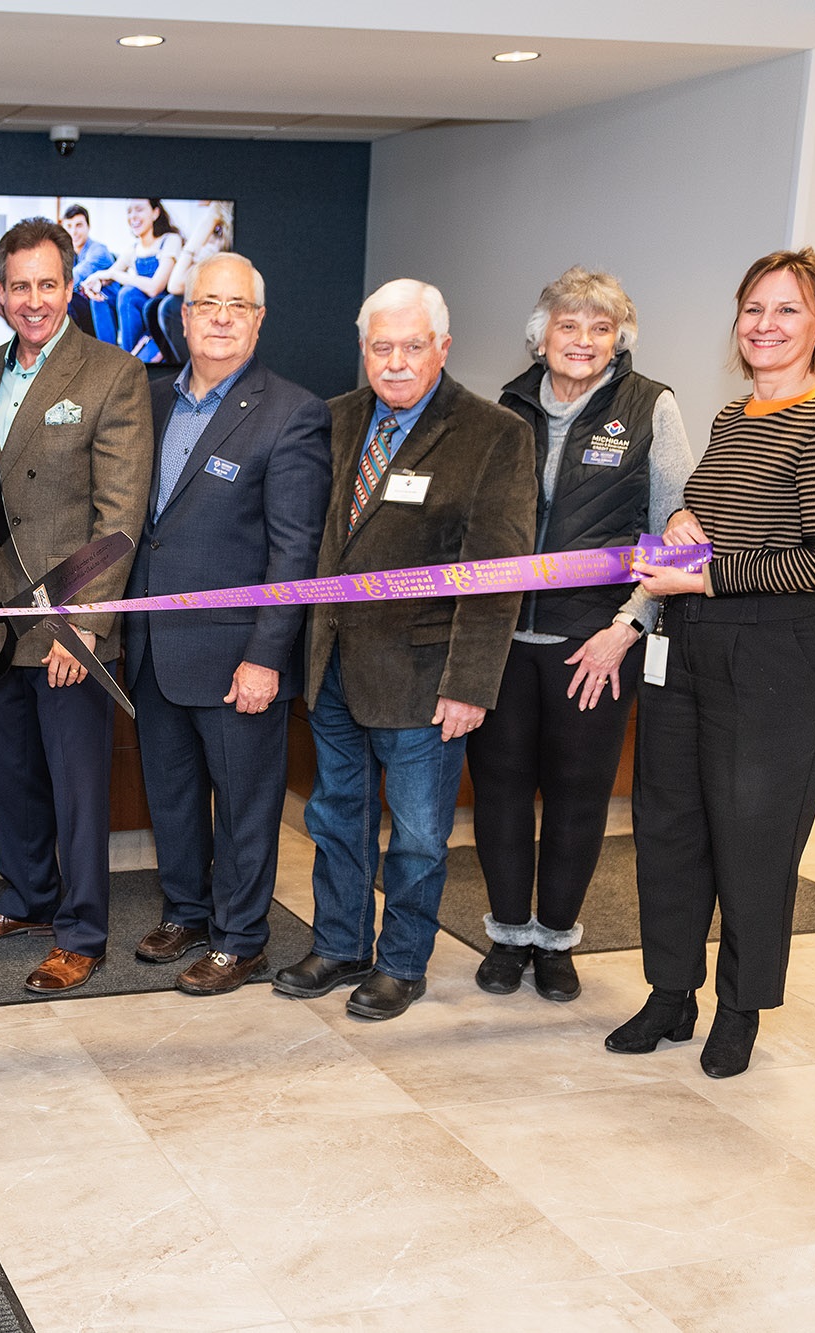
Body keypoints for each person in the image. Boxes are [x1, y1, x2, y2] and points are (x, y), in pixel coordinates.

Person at [614, 248, 815, 1079]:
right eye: (753, 309)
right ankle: (670, 992)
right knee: (669, 828)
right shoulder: (732, 418)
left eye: (786, 310)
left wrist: (709, 574)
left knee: (753, 841)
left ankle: (740, 1008)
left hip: (776, 655)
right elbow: (720, 513)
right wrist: (688, 512)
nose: (764, 325)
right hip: (688, 645)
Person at [272, 278, 534, 1020]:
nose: (394, 362)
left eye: (412, 346)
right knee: (335, 816)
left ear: (442, 348)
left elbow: (498, 574)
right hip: (332, 669)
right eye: (380, 347)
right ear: (364, 350)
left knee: (417, 835)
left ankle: (402, 962)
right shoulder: (331, 418)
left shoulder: (494, 435)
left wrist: (472, 683)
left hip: (426, 677)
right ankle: (341, 942)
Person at [468, 268, 697, 1004]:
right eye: (569, 326)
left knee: (577, 796)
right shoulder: (504, 407)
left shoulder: (649, 406)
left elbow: (680, 536)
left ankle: (555, 939)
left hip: (594, 646)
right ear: (542, 336)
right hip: (503, 644)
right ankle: (507, 934)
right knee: (499, 794)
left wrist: (628, 626)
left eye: (601, 329)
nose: (584, 341)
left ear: (618, 339)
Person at [0, 218, 154, 995]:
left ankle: (82, 931)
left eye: (47, 284)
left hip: (70, 627)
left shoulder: (112, 374)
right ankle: (28, 901)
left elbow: (120, 515)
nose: (33, 300)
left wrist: (91, 629)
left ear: (69, 288)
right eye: (19, 286)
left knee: (76, 789)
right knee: (11, 778)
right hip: (2, 623)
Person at [123, 254, 330, 995]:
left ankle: (240, 938)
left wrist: (267, 655)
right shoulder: (148, 400)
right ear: (182, 316)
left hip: (239, 655)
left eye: (236, 306)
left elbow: (294, 549)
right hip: (153, 648)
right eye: (206, 303)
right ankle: (187, 909)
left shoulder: (292, 412)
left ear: (258, 319)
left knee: (245, 804)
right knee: (171, 793)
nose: (219, 317)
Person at [82, 198, 182, 363]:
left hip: (157, 312)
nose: (133, 216)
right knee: (102, 294)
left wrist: (115, 275)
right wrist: (94, 283)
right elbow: (109, 274)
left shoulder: (170, 240)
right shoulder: (133, 249)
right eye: (129, 211)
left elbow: (155, 287)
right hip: (135, 312)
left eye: (139, 209)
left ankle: (126, 363)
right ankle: (107, 359)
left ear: (155, 213)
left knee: (128, 294)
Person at [150, 203, 232, 364]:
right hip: (205, 295)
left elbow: (175, 285)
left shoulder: (216, 228)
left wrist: (207, 223)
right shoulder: (215, 226)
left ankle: (199, 376)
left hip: (220, 301)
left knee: (171, 307)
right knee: (152, 308)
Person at [62, 204, 115, 335]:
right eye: (69, 226)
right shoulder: (69, 254)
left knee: (67, 301)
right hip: (86, 309)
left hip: (105, 311)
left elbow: (75, 277)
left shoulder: (98, 251)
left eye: (79, 225)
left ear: (88, 227)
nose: (73, 232)